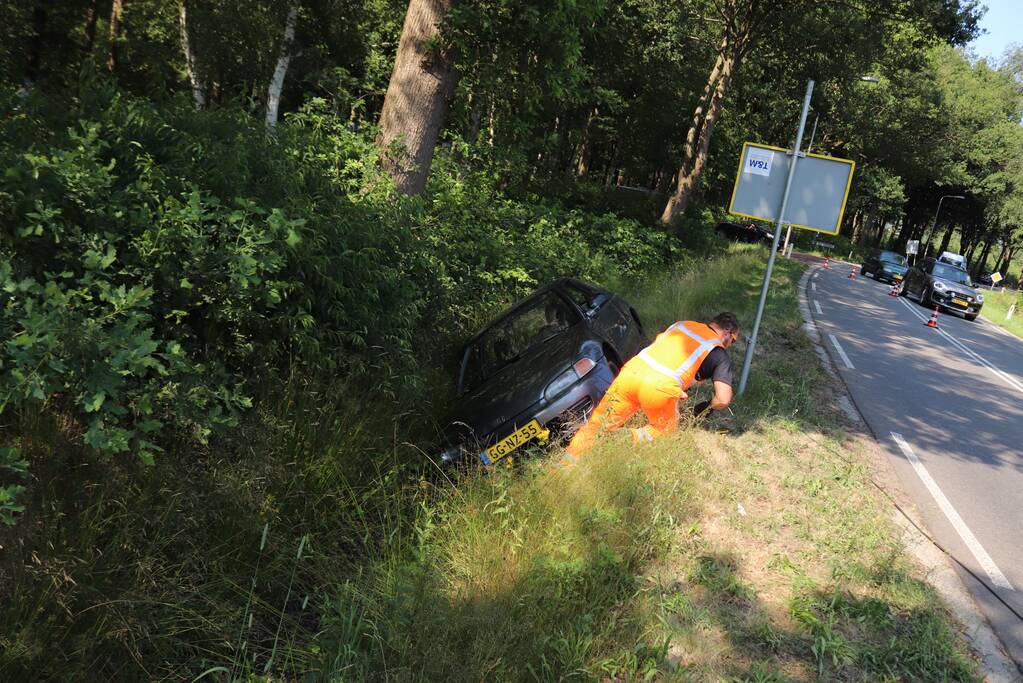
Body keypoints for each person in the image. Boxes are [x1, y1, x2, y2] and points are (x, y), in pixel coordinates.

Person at [563, 312, 740, 459]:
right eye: (733, 340)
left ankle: (562, 468)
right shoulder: (718, 353)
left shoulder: (683, 325)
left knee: (597, 425)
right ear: (727, 333)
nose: (731, 345)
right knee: (664, 431)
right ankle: (623, 438)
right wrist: (708, 407)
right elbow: (723, 399)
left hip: (632, 372)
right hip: (659, 386)